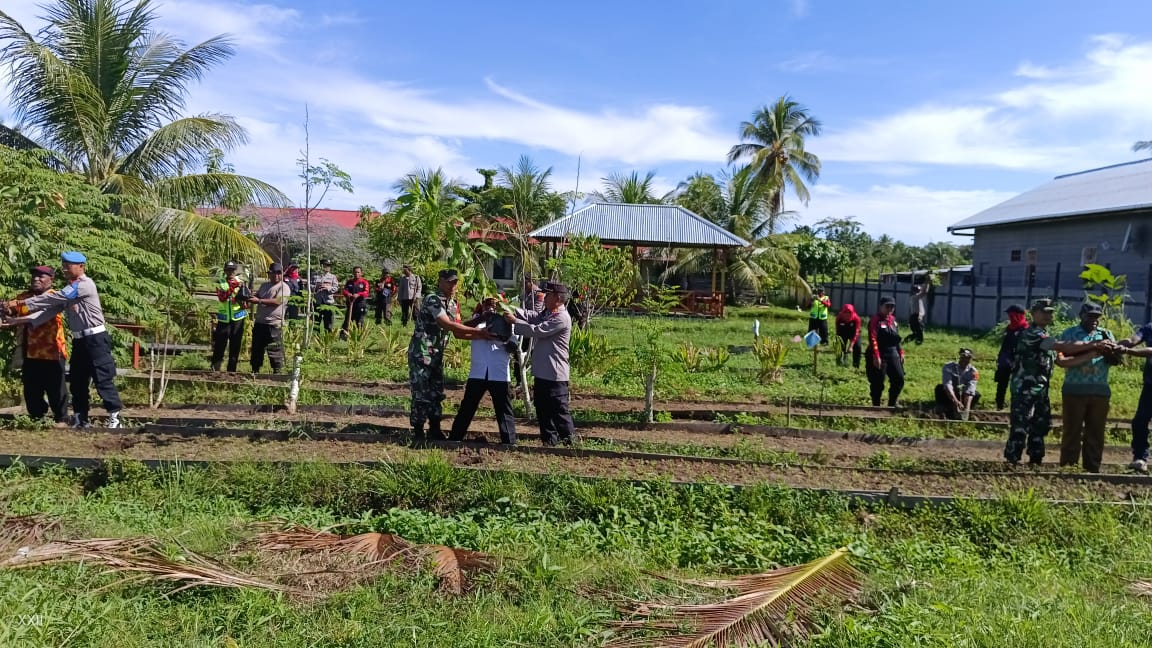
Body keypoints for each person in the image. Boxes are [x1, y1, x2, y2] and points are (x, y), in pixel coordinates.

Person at [6, 251, 123, 429]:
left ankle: (115, 418)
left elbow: (54, 298)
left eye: (68, 266)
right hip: (79, 341)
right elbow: (48, 311)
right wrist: (17, 320)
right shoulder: (70, 288)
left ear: (81, 267)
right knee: (77, 381)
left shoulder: (83, 285)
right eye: (64, 265)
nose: (64, 269)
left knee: (102, 377)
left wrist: (20, 305)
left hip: (95, 339)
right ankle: (80, 419)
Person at [1002, 298, 1106, 467]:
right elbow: (1064, 347)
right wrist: (1093, 344)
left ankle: (1035, 462)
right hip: (1025, 389)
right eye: (1043, 312)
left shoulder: (1045, 335)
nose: (1047, 315)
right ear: (1033, 313)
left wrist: (1091, 354)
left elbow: (1062, 362)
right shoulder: (1031, 334)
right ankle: (1012, 462)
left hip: (1041, 390)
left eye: (1050, 312)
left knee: (1040, 426)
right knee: (1020, 426)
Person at [408, 268, 490, 444]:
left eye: (455, 282)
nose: (453, 285)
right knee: (421, 393)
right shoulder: (433, 299)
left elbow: (459, 332)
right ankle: (418, 432)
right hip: (422, 354)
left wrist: (483, 328)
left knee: (437, 392)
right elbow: (447, 324)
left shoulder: (453, 304)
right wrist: (479, 332)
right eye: (449, 282)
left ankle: (435, 429)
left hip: (436, 355)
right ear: (440, 282)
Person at [505, 281, 576, 446]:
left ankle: (571, 444)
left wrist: (514, 322)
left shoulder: (561, 317)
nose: (544, 297)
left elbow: (537, 330)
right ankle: (549, 442)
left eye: (548, 295)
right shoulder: (549, 312)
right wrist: (512, 309)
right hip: (542, 372)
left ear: (557, 298)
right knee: (543, 409)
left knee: (559, 410)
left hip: (554, 373)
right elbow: (533, 317)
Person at [1055, 302, 1117, 473]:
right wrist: (1093, 348)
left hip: (1100, 390)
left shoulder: (1106, 334)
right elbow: (1062, 357)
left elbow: (1116, 361)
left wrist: (1111, 351)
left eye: (1097, 317)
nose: (1094, 320)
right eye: (1090, 316)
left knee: (1096, 432)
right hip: (1075, 389)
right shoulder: (1069, 333)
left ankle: (1092, 468)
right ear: (1081, 316)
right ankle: (1068, 467)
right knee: (1071, 431)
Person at [2, 266, 69, 425]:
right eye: (34, 276)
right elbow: (12, 313)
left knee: (56, 389)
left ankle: (61, 419)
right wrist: (5, 310)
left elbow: (34, 308)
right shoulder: (24, 296)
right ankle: (36, 418)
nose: (36, 279)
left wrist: (13, 307)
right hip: (30, 351)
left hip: (52, 351)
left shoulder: (54, 296)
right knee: (32, 389)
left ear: (51, 280)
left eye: (41, 277)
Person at [449, 298, 519, 445]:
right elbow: (460, 328)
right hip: (478, 371)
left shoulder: (508, 323)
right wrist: (482, 320)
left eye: (494, 305)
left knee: (503, 409)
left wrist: (502, 337)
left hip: (498, 372)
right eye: (487, 305)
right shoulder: (477, 321)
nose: (491, 308)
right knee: (468, 406)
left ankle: (509, 442)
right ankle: (455, 438)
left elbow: (513, 346)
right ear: (482, 306)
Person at [1117, 321, 1152, 472]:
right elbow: (1133, 340)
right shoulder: (1150, 327)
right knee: (1140, 421)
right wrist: (1115, 345)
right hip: (1151, 385)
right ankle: (1140, 457)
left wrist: (1127, 351)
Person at [248, 262, 290, 374]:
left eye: (278, 273)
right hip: (260, 322)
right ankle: (255, 370)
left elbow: (278, 301)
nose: (275, 275)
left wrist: (259, 301)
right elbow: (258, 296)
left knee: (274, 349)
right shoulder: (264, 285)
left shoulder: (284, 287)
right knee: (257, 348)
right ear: (269, 274)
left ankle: (277, 372)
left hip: (274, 324)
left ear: (281, 274)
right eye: (273, 273)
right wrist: (250, 296)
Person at [866, 296, 904, 408]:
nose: (890, 309)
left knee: (899, 378)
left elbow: (896, 338)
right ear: (881, 306)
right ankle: (876, 406)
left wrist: (900, 352)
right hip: (879, 352)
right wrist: (876, 356)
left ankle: (892, 403)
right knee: (878, 381)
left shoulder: (893, 321)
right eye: (887, 306)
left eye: (892, 307)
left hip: (892, 352)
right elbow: (872, 338)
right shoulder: (875, 320)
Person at [211, 260, 248, 372]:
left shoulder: (242, 282)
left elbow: (246, 299)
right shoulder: (220, 282)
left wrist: (242, 294)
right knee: (219, 345)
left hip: (238, 318)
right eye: (228, 270)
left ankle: (231, 371)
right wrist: (233, 287)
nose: (230, 272)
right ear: (225, 271)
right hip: (224, 319)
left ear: (235, 271)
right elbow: (222, 297)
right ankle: (215, 369)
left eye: (232, 270)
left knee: (235, 346)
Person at [994, 304, 1028, 410]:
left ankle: (1017, 405)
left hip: (1019, 361)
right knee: (1001, 383)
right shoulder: (1010, 328)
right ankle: (999, 405)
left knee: (1018, 385)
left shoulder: (1026, 330)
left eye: (1012, 315)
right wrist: (1001, 358)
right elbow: (1005, 344)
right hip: (1005, 360)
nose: (1010, 317)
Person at [935, 348, 980, 420]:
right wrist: (955, 401)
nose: (965, 360)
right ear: (960, 357)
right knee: (939, 388)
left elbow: (970, 389)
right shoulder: (948, 367)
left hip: (963, 394)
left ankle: (965, 410)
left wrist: (966, 410)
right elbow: (948, 385)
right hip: (950, 393)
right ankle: (944, 408)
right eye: (963, 357)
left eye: (968, 358)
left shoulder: (974, 372)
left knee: (976, 394)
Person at [312, 259, 339, 333]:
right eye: (326, 265)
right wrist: (316, 287)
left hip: (328, 302)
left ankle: (327, 339)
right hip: (317, 302)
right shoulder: (315, 275)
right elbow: (309, 286)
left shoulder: (333, 277)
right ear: (321, 265)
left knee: (328, 323)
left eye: (329, 265)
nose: (327, 267)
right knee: (316, 322)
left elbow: (336, 288)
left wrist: (328, 288)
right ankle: (315, 339)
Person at [341, 266, 370, 333]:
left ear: (361, 273)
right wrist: (348, 294)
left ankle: (359, 337)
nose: (356, 273)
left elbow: (366, 292)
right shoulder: (349, 282)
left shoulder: (364, 282)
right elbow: (344, 291)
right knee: (347, 321)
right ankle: (343, 337)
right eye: (355, 272)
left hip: (360, 305)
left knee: (359, 322)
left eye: (358, 272)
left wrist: (358, 294)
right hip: (351, 304)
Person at [834, 303, 862, 368]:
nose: (847, 314)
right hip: (843, 331)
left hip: (853, 332)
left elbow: (856, 333)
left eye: (849, 313)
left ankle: (856, 365)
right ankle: (839, 362)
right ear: (842, 312)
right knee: (840, 345)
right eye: (845, 312)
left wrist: (851, 346)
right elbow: (838, 332)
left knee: (857, 346)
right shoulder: (839, 318)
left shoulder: (856, 319)